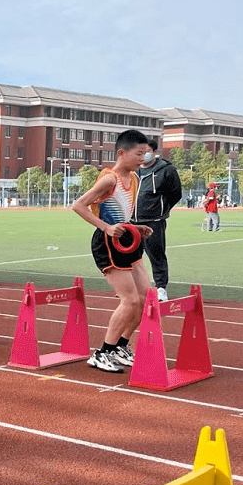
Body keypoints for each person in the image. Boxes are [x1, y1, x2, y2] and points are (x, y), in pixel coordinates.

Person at [70, 129, 154, 373]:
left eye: (146, 154)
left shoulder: (135, 179)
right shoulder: (110, 179)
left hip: (129, 239)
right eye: (139, 154)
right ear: (121, 153)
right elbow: (79, 206)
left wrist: (136, 228)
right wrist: (106, 227)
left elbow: (122, 215)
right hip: (108, 243)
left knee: (144, 297)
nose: (143, 159)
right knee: (129, 300)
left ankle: (121, 346)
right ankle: (102, 353)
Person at [135, 137, 182, 302]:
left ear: (154, 152)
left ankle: (161, 288)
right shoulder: (132, 170)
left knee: (156, 254)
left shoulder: (166, 170)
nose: (143, 155)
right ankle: (133, 287)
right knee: (131, 256)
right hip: (131, 222)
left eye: (146, 152)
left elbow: (175, 194)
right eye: (139, 152)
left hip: (153, 221)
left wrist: (161, 209)